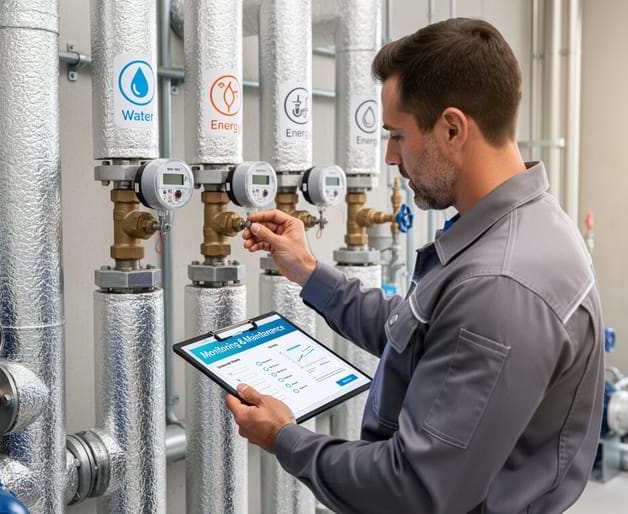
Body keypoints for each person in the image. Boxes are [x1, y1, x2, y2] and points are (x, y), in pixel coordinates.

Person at [227, 17, 604, 514]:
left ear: (452, 128)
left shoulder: (501, 285)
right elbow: (422, 338)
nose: (388, 157)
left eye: (398, 136)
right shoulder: (519, 228)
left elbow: (414, 492)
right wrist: (308, 270)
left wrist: (285, 438)